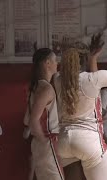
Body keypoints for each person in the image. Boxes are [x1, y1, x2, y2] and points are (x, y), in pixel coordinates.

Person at [53, 33, 107, 180]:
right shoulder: (92, 79)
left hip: (65, 141)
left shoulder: (58, 79)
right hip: (89, 139)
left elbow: (76, 77)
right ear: (84, 60)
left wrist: (91, 57)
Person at [25, 48, 64, 180]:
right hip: (48, 141)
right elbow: (33, 121)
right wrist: (44, 140)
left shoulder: (35, 87)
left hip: (40, 144)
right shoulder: (46, 88)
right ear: (47, 63)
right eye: (54, 60)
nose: (57, 63)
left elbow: (27, 121)